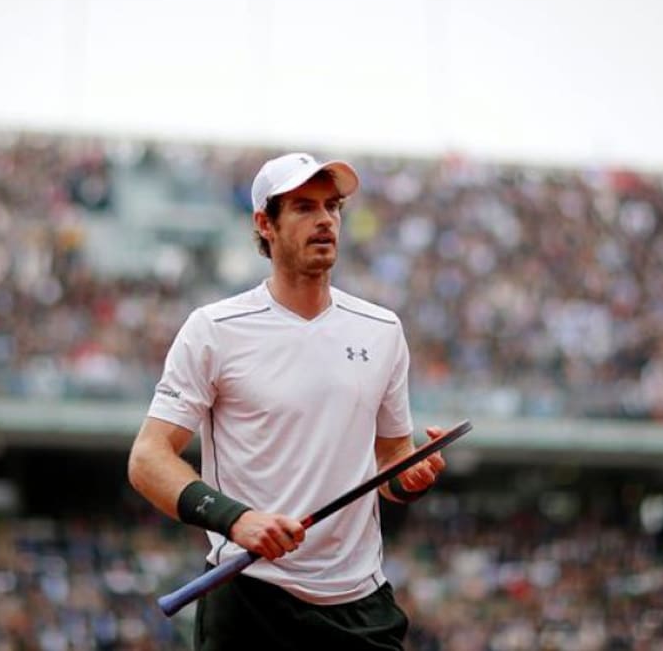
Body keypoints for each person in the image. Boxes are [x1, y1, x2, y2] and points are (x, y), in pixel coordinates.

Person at [128, 152, 447, 650]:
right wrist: (236, 518)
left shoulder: (383, 330)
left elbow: (392, 461)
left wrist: (410, 479)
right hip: (249, 601)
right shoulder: (214, 329)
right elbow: (148, 458)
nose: (324, 220)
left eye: (332, 206)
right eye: (303, 207)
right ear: (265, 224)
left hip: (360, 606)